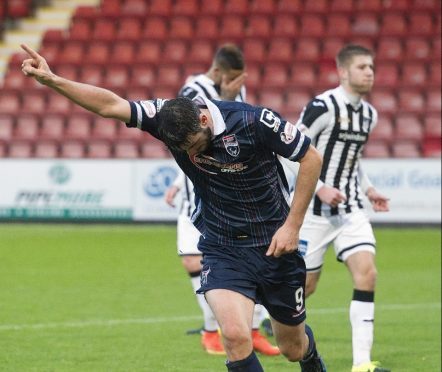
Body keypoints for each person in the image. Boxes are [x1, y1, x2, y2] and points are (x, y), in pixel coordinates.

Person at [21, 43, 326, 372]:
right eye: (184, 151)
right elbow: (110, 105)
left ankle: (311, 359)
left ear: (204, 119)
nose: (192, 155)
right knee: (236, 337)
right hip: (223, 247)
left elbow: (310, 157)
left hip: (274, 245)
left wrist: (292, 226)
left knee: (291, 348)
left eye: (195, 145)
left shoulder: (254, 122)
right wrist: (54, 81)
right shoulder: (163, 117)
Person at [167, 43, 278, 356]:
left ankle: (253, 330)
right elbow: (191, 137)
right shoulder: (193, 91)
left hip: (234, 192)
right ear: (217, 72)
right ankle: (212, 330)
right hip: (202, 193)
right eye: (230, 80)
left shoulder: (233, 91)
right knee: (196, 260)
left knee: (251, 260)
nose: (235, 86)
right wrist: (179, 181)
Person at [291, 44, 390, 372]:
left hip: (351, 210)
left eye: (371, 67)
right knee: (306, 287)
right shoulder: (322, 107)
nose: (369, 72)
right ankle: (264, 315)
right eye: (362, 67)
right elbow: (288, 151)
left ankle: (362, 363)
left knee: (368, 274)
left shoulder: (369, 115)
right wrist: (319, 189)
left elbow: (353, 159)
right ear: (343, 72)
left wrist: (369, 187)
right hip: (313, 213)